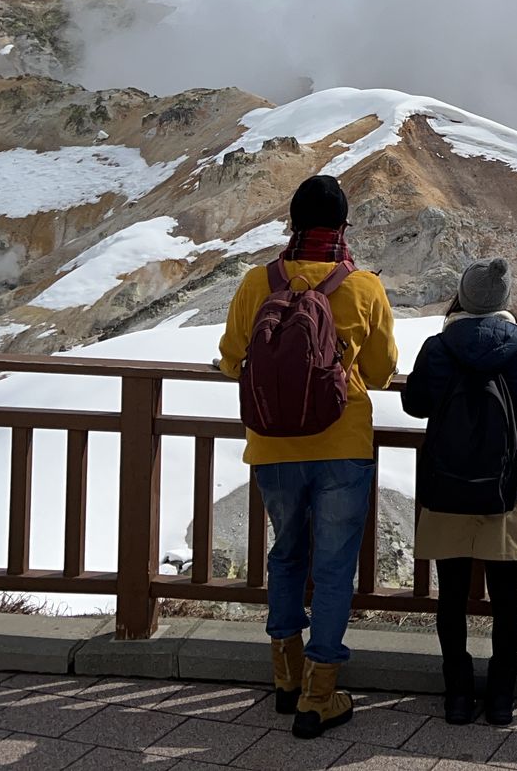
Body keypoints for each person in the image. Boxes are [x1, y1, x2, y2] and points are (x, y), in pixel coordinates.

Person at [218, 175, 397, 739]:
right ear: (342, 228)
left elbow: (230, 361)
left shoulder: (256, 282)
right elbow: (381, 371)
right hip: (342, 446)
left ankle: (285, 676)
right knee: (335, 567)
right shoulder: (364, 286)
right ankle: (321, 694)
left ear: (292, 224)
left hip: (272, 445)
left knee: (287, 555)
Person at [400, 257, 517, 726]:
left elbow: (414, 404)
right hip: (502, 490)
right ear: (504, 303)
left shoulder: (438, 345)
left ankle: (458, 696)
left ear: (463, 298)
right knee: (506, 595)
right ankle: (502, 697)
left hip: (446, 487)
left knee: (450, 594)